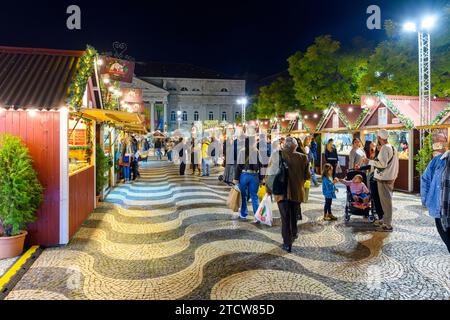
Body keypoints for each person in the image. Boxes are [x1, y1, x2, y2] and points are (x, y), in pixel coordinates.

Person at [267, 137, 310, 253]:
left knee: (285, 217)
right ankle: (294, 232)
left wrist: (268, 189)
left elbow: (270, 173)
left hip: (281, 192)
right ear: (295, 146)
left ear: (284, 145)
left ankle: (287, 243)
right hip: (297, 191)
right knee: (294, 213)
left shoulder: (277, 155)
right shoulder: (303, 157)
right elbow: (307, 176)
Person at [361, 129, 399, 232]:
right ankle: (384, 220)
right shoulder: (392, 147)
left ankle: (387, 224)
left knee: (386, 201)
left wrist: (369, 161)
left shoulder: (385, 148)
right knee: (385, 200)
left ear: (379, 138)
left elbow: (382, 164)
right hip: (390, 177)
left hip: (384, 178)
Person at [421, 133, 450, 253]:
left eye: (440, 141)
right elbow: (426, 179)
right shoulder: (438, 161)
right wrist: (427, 200)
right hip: (441, 210)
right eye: (436, 141)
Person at [234, 137, 261, 221]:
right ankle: (256, 216)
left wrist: (236, 178)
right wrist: (261, 178)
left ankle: (243, 213)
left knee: (244, 195)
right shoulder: (257, 151)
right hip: (254, 175)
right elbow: (261, 165)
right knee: (254, 196)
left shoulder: (242, 151)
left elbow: (238, 166)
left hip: (244, 175)